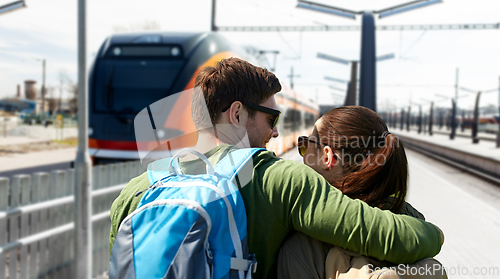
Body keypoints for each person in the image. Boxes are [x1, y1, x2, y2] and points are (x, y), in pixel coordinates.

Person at [109, 57, 444, 279]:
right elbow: (387, 237)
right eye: (271, 119)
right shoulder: (279, 179)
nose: (275, 132)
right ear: (237, 114)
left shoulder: (137, 189)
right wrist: (435, 234)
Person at [277, 106, 446, 279]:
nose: (303, 154)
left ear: (327, 157)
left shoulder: (301, 248)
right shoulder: (412, 225)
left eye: (305, 145)